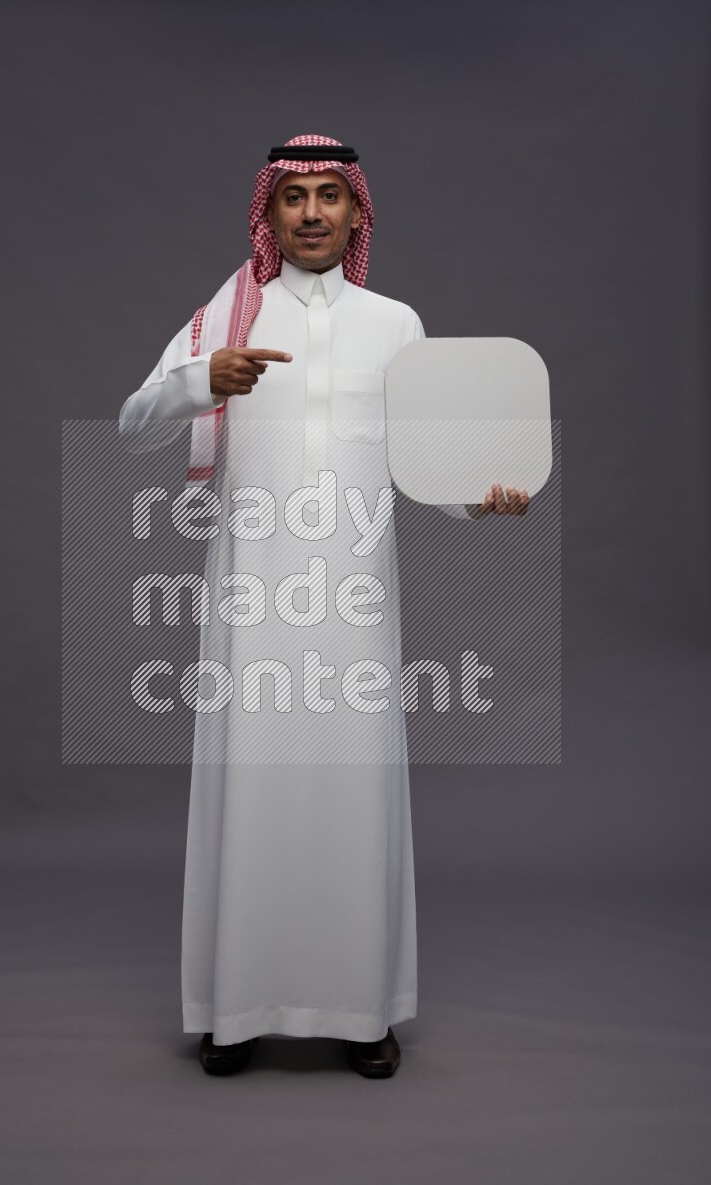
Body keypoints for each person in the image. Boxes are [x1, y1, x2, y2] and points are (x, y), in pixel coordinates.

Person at [119, 134, 528, 1079]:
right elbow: (137, 422)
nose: (310, 213)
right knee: (247, 792)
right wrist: (198, 382)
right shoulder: (230, 311)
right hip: (248, 602)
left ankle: (363, 1012)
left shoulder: (396, 323)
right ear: (267, 215)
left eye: (329, 196)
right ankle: (232, 1010)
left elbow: (435, 464)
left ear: (357, 213)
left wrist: (486, 494)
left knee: (356, 796)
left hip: (353, 609)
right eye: (292, 197)